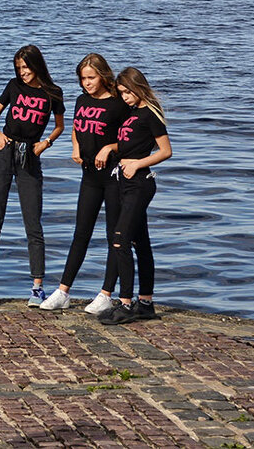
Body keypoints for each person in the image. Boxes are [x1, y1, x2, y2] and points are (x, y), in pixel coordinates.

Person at [40, 54, 130, 313]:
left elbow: (132, 137)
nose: (86, 83)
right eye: (83, 78)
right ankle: (63, 291)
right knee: (81, 232)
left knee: (114, 234)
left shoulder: (118, 103)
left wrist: (109, 148)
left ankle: (106, 293)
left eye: (91, 78)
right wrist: (75, 146)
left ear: (103, 75)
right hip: (90, 175)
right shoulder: (82, 99)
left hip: (114, 174)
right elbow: (77, 127)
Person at [0, 45, 65, 308]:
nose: (23, 73)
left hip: (31, 156)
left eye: (26, 68)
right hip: (5, 152)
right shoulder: (13, 86)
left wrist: (46, 143)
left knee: (33, 225)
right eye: (19, 68)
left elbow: (60, 125)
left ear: (37, 66)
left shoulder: (53, 93)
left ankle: (37, 288)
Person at [98, 66, 171, 325]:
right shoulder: (131, 113)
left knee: (120, 239)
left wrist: (137, 163)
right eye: (122, 93)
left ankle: (126, 303)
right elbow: (129, 143)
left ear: (139, 87)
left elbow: (165, 151)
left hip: (140, 183)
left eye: (128, 92)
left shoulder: (150, 114)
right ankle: (146, 303)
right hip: (123, 181)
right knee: (141, 243)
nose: (126, 97)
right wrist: (109, 147)